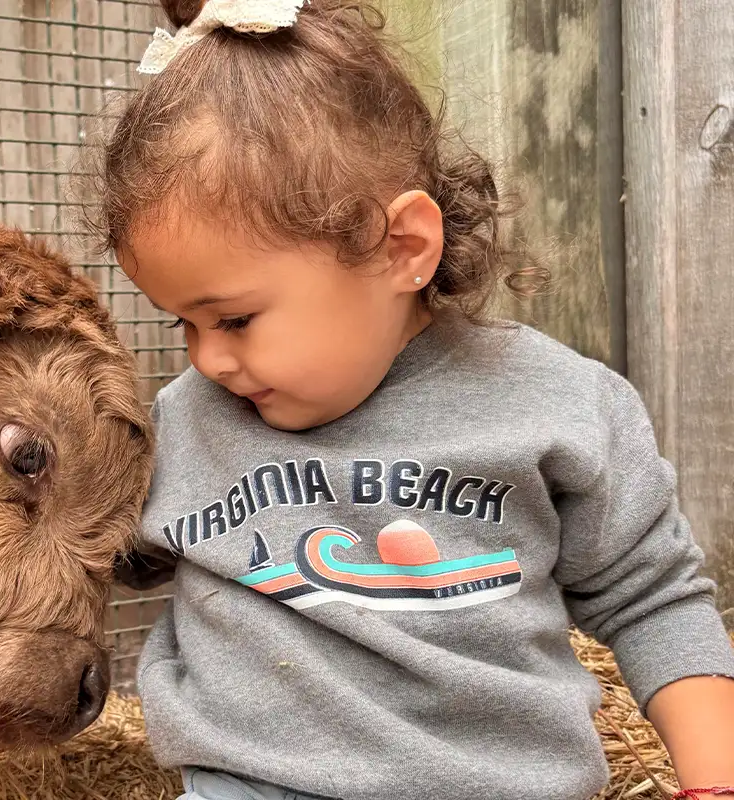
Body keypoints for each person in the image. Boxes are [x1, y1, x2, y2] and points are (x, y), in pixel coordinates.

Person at [77, 1, 734, 798]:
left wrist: (715, 778)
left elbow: (653, 596)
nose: (207, 358)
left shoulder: (554, 405)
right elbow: (80, 555)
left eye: (235, 319)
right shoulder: (184, 425)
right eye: (182, 323)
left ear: (403, 249)